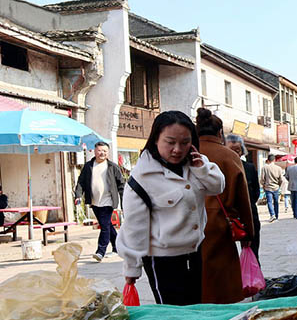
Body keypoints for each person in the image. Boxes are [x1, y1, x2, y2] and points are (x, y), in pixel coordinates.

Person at [117, 111, 225, 305]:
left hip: (195, 252)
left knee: (195, 308)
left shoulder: (196, 164)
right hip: (162, 260)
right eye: (170, 142)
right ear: (156, 139)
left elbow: (217, 186)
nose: (177, 149)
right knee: (174, 313)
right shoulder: (143, 178)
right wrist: (131, 268)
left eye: (185, 142)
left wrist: (201, 168)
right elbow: (135, 227)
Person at [196, 109, 255, 303]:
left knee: (197, 280)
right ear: (220, 133)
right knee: (221, 284)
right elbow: (243, 198)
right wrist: (248, 232)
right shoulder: (229, 156)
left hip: (188, 223)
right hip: (221, 225)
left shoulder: (187, 152)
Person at [74, 141, 125, 262]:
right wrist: (78, 195)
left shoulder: (113, 167)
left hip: (108, 201)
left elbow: (121, 185)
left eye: (105, 151)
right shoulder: (88, 166)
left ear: (108, 153)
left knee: (104, 225)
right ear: (95, 151)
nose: (102, 153)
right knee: (106, 225)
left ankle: (100, 251)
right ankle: (117, 247)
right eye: (100, 150)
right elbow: (81, 182)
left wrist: (124, 202)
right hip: (94, 201)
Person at [225, 134, 261, 262]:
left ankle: (253, 280)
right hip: (228, 218)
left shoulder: (249, 168)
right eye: (231, 150)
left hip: (250, 216)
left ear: (242, 151)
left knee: (252, 252)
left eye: (238, 150)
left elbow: (256, 192)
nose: (235, 153)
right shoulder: (220, 168)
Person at [259, 154, 282, 222]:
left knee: (269, 202)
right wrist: (279, 185)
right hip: (276, 187)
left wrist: (263, 185)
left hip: (268, 187)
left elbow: (262, 178)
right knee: (276, 202)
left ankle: (272, 215)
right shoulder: (278, 168)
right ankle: (276, 215)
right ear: (274, 160)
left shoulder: (265, 168)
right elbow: (281, 179)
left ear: (268, 160)